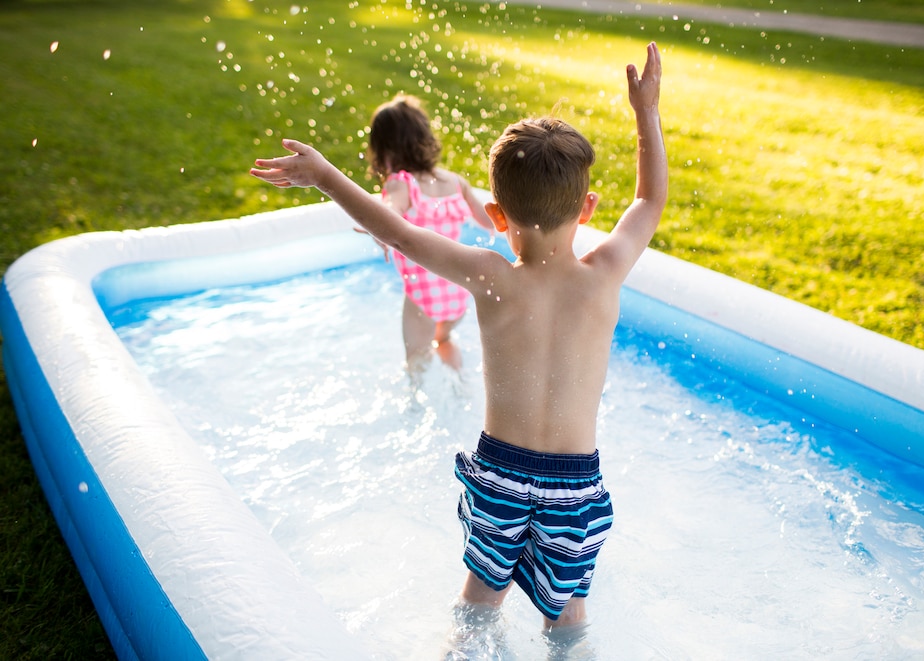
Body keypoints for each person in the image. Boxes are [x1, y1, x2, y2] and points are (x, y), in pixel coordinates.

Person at [250, 41, 667, 635]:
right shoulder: (605, 274)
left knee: (476, 608)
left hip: (501, 471)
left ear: (497, 215)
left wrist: (324, 176)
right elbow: (650, 199)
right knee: (569, 614)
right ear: (588, 206)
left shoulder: (489, 275)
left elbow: (396, 233)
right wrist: (645, 109)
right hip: (576, 481)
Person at [365, 94, 493, 375]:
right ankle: (460, 387)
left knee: (416, 359)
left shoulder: (401, 184)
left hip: (422, 298)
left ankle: (416, 404)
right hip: (457, 293)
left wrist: (376, 227)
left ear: (384, 150)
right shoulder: (455, 181)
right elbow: (489, 221)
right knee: (444, 339)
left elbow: (390, 213)